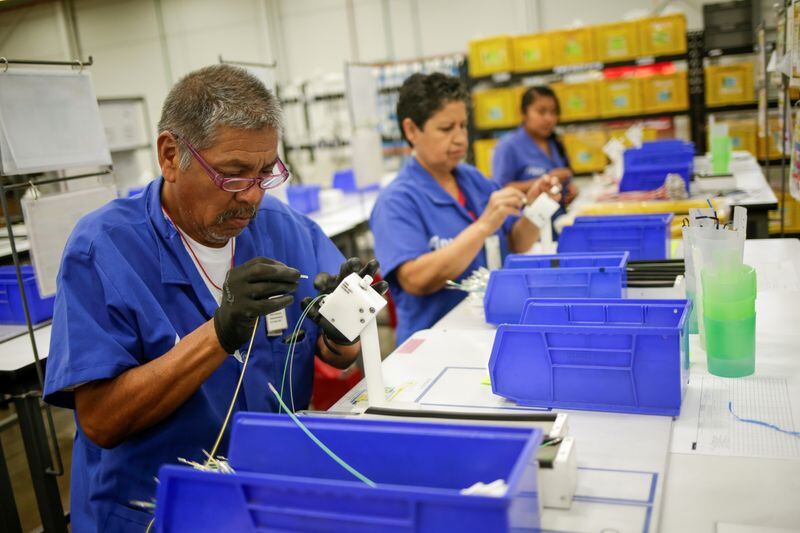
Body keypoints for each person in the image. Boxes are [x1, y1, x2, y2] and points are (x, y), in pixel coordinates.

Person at [42, 64, 385, 532]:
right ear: (170, 155)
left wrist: (346, 321)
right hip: (156, 512)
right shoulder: (104, 249)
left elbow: (332, 354)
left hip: (268, 498)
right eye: (232, 174)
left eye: (266, 173)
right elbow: (101, 420)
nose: (252, 197)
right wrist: (219, 335)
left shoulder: (283, 230)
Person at [370, 73, 558, 345]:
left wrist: (538, 208)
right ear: (412, 130)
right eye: (447, 129)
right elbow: (415, 279)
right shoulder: (397, 201)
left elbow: (516, 242)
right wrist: (482, 227)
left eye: (463, 126)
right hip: (434, 344)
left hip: (485, 331)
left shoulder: (473, 180)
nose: (460, 139)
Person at [492, 85, 578, 206]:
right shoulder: (508, 146)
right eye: (541, 112)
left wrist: (568, 190)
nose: (549, 118)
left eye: (553, 112)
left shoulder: (554, 142)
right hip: (525, 220)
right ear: (524, 113)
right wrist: (545, 180)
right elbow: (501, 190)